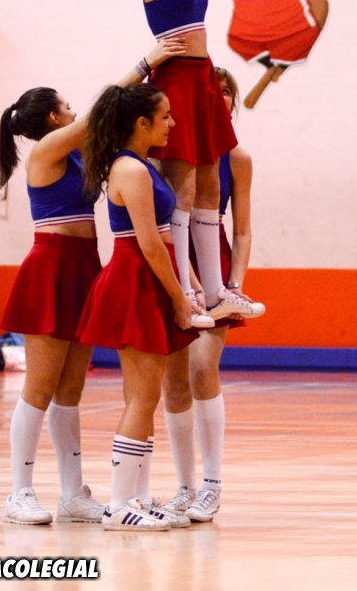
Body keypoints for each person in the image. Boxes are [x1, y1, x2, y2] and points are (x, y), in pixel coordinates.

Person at [0, 40, 184, 525]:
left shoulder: (80, 155)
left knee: (70, 388)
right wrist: (145, 64)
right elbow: (100, 115)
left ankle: (71, 493)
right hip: (49, 267)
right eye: (66, 107)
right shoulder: (46, 151)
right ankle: (18, 492)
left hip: (84, 265)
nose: (74, 111)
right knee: (39, 386)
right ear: (53, 118)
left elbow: (105, 130)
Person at [109, 0, 273, 323]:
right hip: (177, 78)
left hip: (202, 78)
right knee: (182, 188)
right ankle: (187, 292)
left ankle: (217, 293)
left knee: (209, 185)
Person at [78, 84, 212, 531]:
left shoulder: (141, 166)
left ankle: (134, 496)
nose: (172, 123)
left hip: (147, 278)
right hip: (134, 279)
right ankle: (119, 505)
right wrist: (179, 300)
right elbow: (150, 244)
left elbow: (166, 238)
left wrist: (190, 288)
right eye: (165, 116)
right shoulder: (130, 170)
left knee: (145, 396)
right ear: (141, 123)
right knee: (142, 397)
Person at [160, 68, 261, 522]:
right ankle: (184, 486)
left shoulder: (237, 158)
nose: (218, 98)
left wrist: (231, 284)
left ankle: (212, 484)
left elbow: (242, 230)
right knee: (173, 379)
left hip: (212, 259)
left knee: (203, 369)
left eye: (225, 93)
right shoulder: (167, 151)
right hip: (173, 259)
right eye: (211, 92)